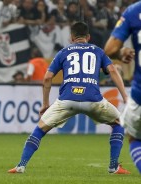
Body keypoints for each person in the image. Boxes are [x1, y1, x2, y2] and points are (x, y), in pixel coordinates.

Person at [8, 22, 130, 174]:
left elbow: (47, 78)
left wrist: (45, 104)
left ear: (71, 37)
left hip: (67, 100)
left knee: (40, 130)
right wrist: (124, 95)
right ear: (88, 37)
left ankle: (21, 166)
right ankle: (113, 166)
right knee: (118, 123)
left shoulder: (63, 52)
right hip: (93, 100)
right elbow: (112, 70)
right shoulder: (98, 51)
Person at [104, 1, 141, 173]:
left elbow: (110, 49)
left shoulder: (133, 11)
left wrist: (120, 52)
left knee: (134, 137)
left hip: (140, 93)